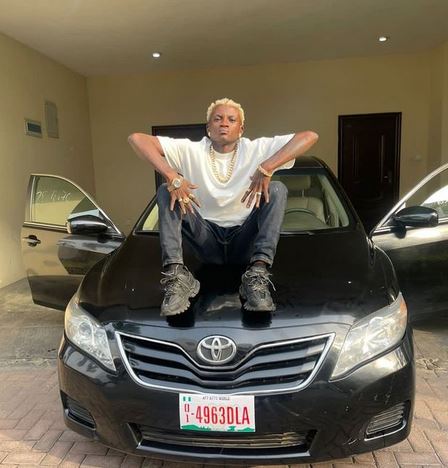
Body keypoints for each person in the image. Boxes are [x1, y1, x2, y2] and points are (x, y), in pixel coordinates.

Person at [128, 98, 318, 316]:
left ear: (241, 129)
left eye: (231, 119)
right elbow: (136, 139)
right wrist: (172, 176)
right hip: (205, 239)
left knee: (276, 189)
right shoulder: (191, 150)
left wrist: (267, 167)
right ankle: (177, 276)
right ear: (208, 128)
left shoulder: (256, 149)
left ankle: (257, 273)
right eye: (217, 119)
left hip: (244, 240)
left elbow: (309, 136)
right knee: (166, 189)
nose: (224, 123)